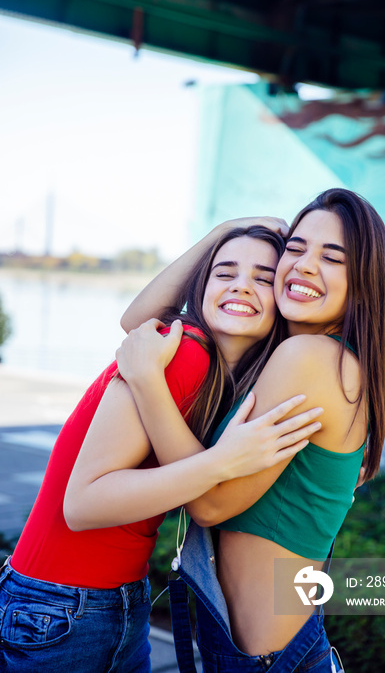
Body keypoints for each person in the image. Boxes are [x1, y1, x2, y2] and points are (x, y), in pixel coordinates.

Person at [0, 226, 322, 673]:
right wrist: (221, 461)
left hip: (94, 601)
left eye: (263, 278)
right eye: (222, 272)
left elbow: (133, 319)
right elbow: (83, 504)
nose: (241, 285)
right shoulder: (184, 353)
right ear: (201, 289)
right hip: (67, 605)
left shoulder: (218, 377)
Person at [117, 187, 385, 671]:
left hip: (271, 660)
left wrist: (146, 384)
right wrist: (224, 234)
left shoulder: (310, 358)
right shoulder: (300, 354)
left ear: (363, 283)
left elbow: (208, 502)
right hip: (275, 650)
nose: (305, 265)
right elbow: (140, 324)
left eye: (332, 258)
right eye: (296, 248)